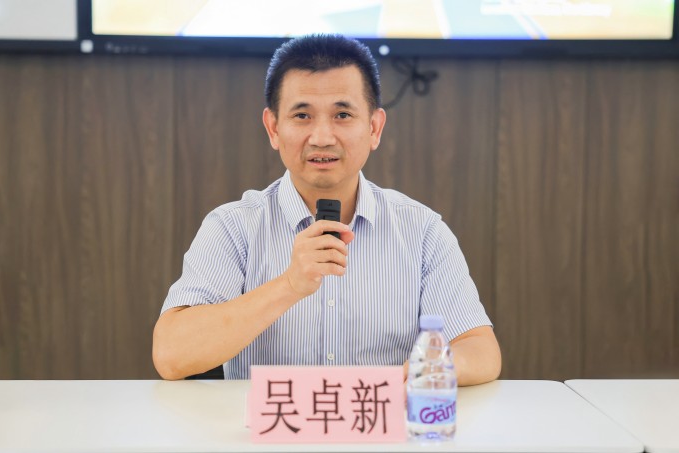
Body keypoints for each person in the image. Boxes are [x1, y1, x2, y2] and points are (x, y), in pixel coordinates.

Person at [153, 34, 501, 384]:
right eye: (302, 115)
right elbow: (171, 355)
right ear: (273, 128)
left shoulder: (422, 230)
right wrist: (290, 285)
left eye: (342, 115)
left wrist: (422, 372)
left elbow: (480, 350)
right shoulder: (233, 227)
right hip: (269, 420)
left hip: (379, 416)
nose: (322, 137)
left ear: (374, 128)